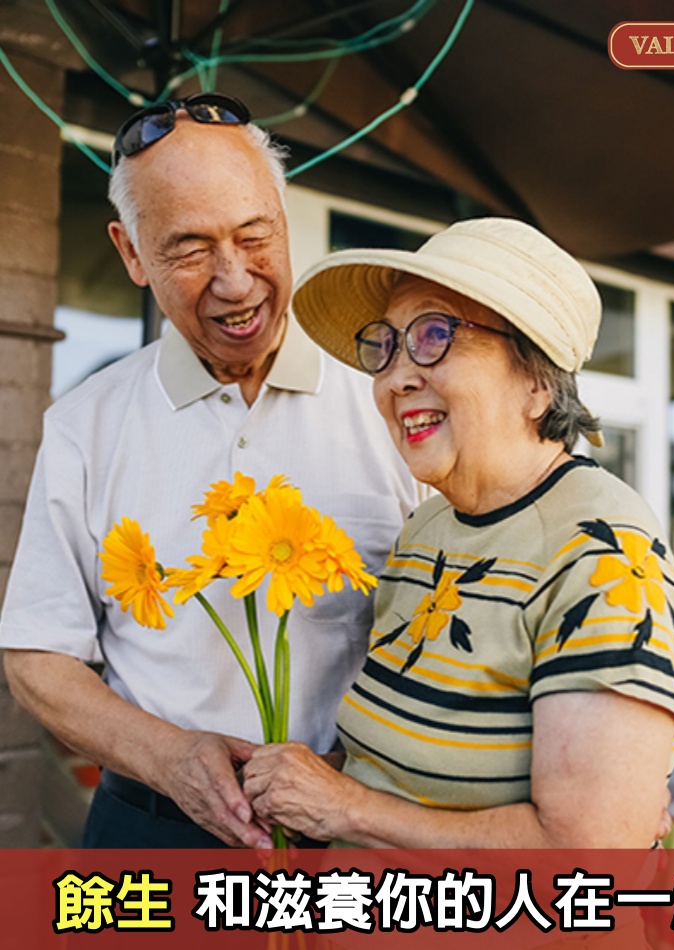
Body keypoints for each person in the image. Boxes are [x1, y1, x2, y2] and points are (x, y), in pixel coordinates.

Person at [0, 93, 419, 848]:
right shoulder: (84, 425)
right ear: (130, 253)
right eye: (190, 250)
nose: (234, 282)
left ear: (285, 221)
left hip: (363, 838)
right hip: (150, 832)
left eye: (256, 237)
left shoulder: (393, 401)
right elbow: (38, 653)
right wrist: (168, 757)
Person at [241, 217, 674, 848]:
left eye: (434, 334)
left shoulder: (603, 557)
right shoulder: (427, 529)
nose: (396, 376)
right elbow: (403, 767)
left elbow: (590, 858)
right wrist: (308, 784)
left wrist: (347, 809)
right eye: (387, 345)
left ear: (538, 380)